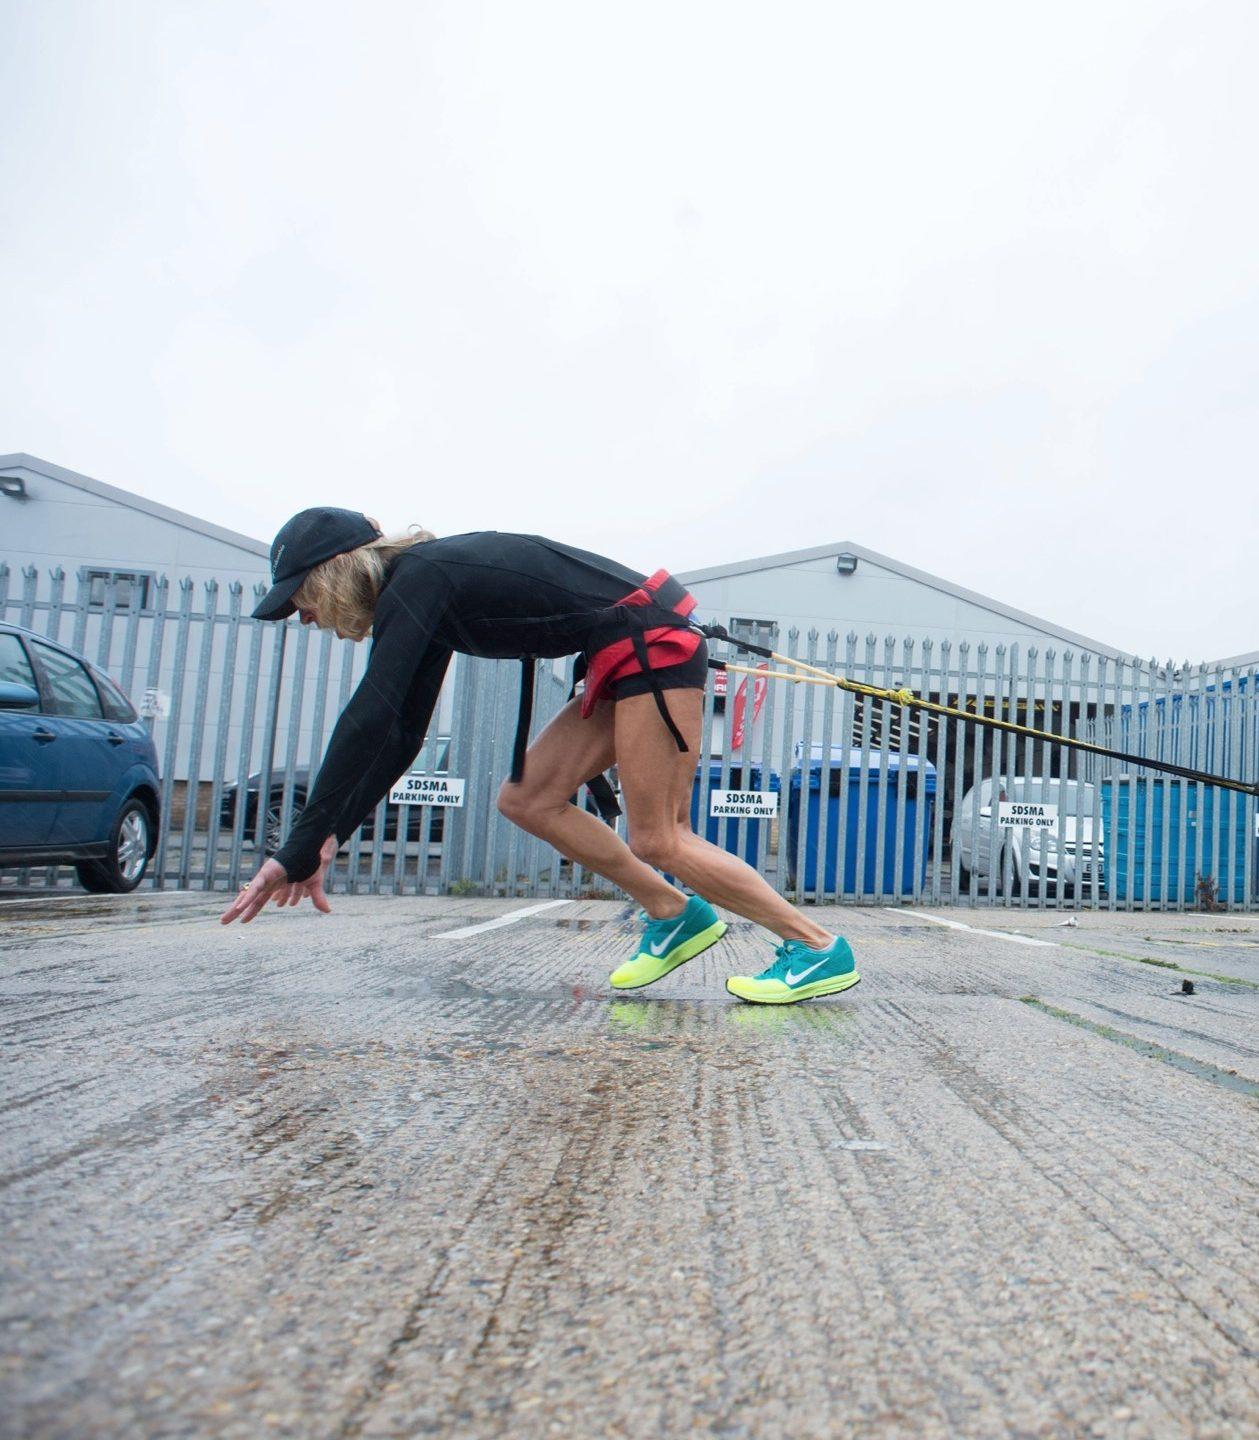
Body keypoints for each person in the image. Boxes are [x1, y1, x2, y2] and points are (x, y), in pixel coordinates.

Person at [219, 509, 860, 1005]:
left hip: (651, 644)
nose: (300, 617)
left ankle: (817, 949)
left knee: (660, 838)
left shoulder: (420, 578)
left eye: (298, 597)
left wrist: (298, 845)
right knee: (526, 800)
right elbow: (400, 730)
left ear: (331, 573)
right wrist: (328, 831)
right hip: (623, 651)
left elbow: (371, 711)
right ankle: (674, 912)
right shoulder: (423, 590)